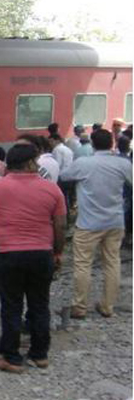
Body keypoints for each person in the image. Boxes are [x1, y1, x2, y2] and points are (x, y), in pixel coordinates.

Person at [0, 143, 66, 372]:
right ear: (30, 163)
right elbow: (60, 225)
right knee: (40, 304)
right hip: (42, 253)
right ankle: (39, 355)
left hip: (9, 254)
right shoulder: (52, 189)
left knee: (11, 306)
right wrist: (58, 252)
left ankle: (11, 357)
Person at [60, 129, 133, 319]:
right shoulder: (123, 164)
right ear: (112, 143)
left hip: (88, 223)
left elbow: (64, 176)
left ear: (92, 143)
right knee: (112, 263)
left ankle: (80, 307)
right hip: (115, 221)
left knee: (83, 264)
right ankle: (108, 306)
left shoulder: (84, 163)